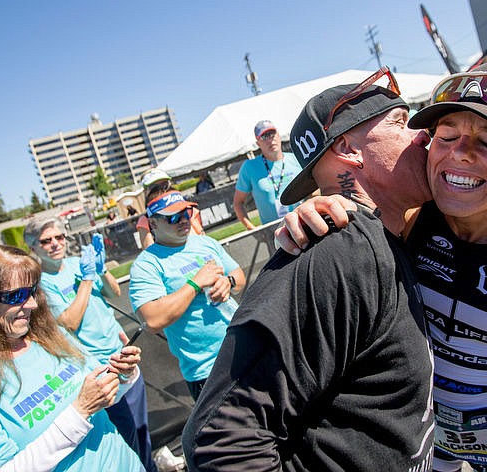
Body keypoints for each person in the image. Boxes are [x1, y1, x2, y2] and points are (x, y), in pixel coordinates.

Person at [277, 63, 487, 471]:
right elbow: (354, 198)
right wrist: (317, 204)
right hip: (423, 431)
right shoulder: (409, 215)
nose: (461, 154)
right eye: (447, 136)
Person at [182, 69, 435, 471]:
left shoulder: (394, 231)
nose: (423, 133)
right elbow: (219, 442)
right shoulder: (339, 254)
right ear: (349, 150)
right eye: (401, 123)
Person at [0, 245, 144, 471]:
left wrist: (122, 375)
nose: (32, 304)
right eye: (16, 296)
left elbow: (104, 397)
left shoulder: (51, 338)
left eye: (32, 292)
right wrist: (80, 412)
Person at [23, 219, 157, 472]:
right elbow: (69, 322)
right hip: (97, 369)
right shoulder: (41, 286)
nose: (55, 244)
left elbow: (114, 292)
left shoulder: (76, 264)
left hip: (122, 358)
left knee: (141, 431)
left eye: (59, 237)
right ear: (34, 248)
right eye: (46, 240)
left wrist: (102, 268)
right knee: (124, 438)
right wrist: (86, 279)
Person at [129, 189, 246, 401]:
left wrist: (227, 282)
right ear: (153, 225)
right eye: (173, 217)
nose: (183, 220)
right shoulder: (147, 264)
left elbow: (239, 276)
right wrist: (194, 283)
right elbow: (152, 320)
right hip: (208, 371)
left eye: (186, 213)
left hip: (245, 345)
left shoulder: (205, 243)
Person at [232, 120, 304, 229]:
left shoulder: (296, 158)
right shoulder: (249, 167)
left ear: (279, 136)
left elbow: (314, 192)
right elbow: (238, 203)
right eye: (264, 137)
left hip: (302, 224)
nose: (270, 139)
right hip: (273, 233)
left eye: (272, 134)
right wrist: (252, 228)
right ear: (258, 143)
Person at [137, 168, 203, 248]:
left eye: (165, 184)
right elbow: (149, 250)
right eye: (155, 187)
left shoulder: (189, 209)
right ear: (145, 192)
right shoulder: (145, 220)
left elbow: (201, 237)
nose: (162, 190)